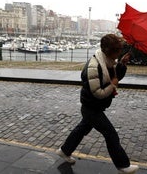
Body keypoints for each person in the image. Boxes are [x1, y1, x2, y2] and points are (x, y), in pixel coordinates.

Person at [56, 34, 139, 174]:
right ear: (109, 51)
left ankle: (64, 151)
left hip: (95, 106)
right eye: (118, 51)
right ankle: (123, 166)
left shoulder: (108, 61)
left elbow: (114, 77)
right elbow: (99, 93)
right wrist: (112, 86)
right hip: (91, 108)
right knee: (111, 134)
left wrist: (122, 64)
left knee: (82, 129)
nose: (119, 53)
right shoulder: (94, 67)